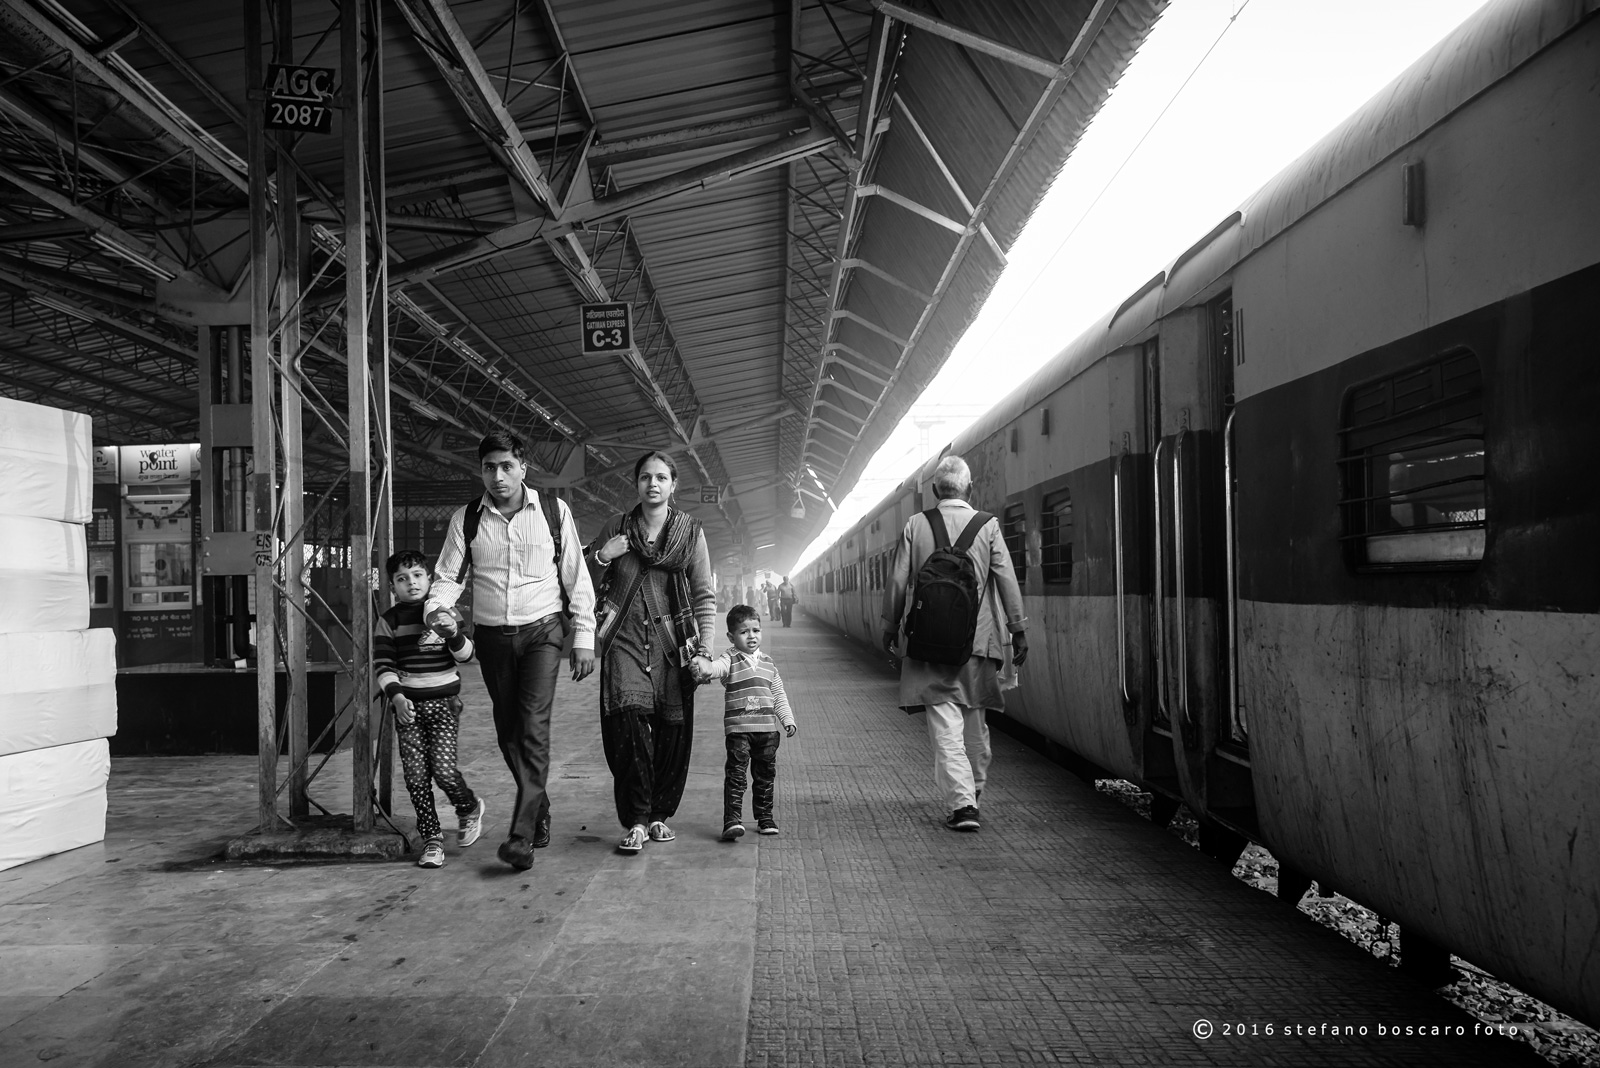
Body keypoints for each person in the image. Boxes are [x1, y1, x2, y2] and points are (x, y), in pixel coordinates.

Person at [427, 432, 597, 872]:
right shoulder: (467, 519)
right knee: (508, 734)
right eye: (489, 467)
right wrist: (437, 610)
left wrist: (584, 637)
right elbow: (447, 578)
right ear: (481, 471)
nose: (498, 476)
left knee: (533, 728)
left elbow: (576, 576)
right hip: (492, 639)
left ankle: (520, 838)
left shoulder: (554, 513)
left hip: (543, 633)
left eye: (506, 466)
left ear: (523, 468)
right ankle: (538, 808)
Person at [881, 454, 1027, 833]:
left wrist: (890, 626)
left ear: (934, 490)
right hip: (978, 642)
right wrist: (1018, 629)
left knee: (946, 728)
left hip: (928, 643)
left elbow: (898, 581)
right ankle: (971, 792)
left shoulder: (916, 524)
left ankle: (963, 805)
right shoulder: (988, 526)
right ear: (970, 489)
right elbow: (1006, 579)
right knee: (975, 724)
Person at [585, 451, 717, 854]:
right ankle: (637, 820)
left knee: (670, 731)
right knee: (628, 726)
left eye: (661, 477)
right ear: (636, 483)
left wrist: (705, 652)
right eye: (645, 477)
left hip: (672, 647)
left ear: (673, 485)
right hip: (623, 641)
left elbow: (704, 595)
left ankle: (659, 814)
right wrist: (603, 556)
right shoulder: (616, 528)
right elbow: (581, 581)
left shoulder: (690, 533)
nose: (653, 484)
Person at [375, 550, 485, 869]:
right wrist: (397, 698)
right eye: (402, 578)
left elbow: (467, 656)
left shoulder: (445, 613)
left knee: (444, 771)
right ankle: (432, 840)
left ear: (430, 579)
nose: (411, 583)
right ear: (393, 586)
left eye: (417, 575)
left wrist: (453, 633)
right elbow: (384, 665)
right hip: (408, 709)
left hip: (444, 707)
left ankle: (468, 807)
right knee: (416, 777)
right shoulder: (389, 621)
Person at [694, 605, 797, 840]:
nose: (751, 636)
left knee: (765, 777)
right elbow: (716, 669)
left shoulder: (769, 663)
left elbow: (778, 694)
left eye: (756, 630)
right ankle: (732, 821)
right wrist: (705, 667)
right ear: (731, 637)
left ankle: (765, 818)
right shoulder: (729, 659)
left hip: (767, 732)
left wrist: (787, 719)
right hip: (739, 731)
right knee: (736, 776)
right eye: (744, 632)